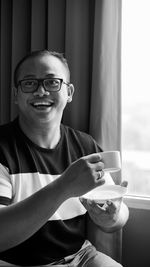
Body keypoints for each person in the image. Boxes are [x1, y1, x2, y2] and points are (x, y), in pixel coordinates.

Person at [0, 50, 129, 267]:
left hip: (81, 256)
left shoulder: (85, 146)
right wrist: (64, 187)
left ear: (69, 92)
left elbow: (117, 211)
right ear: (16, 95)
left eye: (52, 82)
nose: (41, 91)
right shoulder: (2, 147)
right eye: (30, 83)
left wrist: (113, 217)